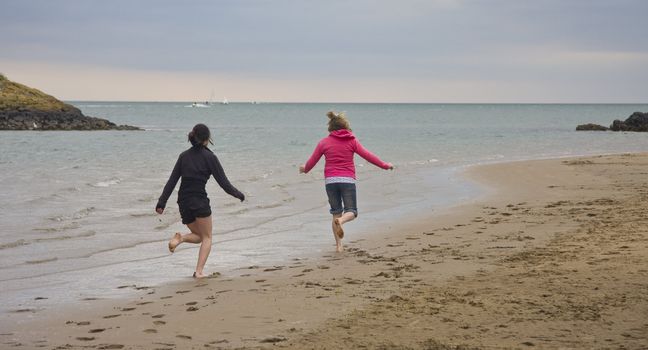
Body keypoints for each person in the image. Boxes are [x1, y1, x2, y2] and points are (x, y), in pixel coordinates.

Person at [156, 123, 245, 278]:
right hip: (199, 201)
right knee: (208, 237)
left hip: (183, 202)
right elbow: (224, 183)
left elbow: (172, 181)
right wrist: (239, 194)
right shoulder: (210, 157)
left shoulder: (183, 156)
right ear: (207, 139)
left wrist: (161, 203)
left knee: (199, 236)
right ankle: (199, 271)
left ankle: (180, 239)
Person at [300, 111, 393, 252]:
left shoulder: (323, 143)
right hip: (347, 180)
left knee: (335, 212)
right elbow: (368, 156)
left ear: (331, 128)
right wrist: (385, 165)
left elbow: (312, 162)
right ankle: (342, 221)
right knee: (352, 211)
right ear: (345, 127)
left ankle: (339, 246)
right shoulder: (352, 141)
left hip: (331, 182)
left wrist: (304, 169)